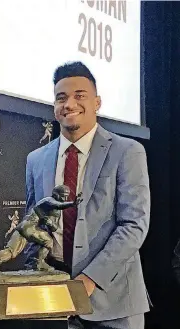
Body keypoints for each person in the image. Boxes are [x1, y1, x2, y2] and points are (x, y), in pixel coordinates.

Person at [25, 61, 150, 329]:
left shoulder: (128, 151)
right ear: (55, 108)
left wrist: (89, 280)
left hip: (114, 303)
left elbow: (134, 225)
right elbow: (35, 223)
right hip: (54, 304)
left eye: (79, 96)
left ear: (97, 102)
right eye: (61, 98)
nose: (69, 104)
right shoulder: (36, 160)